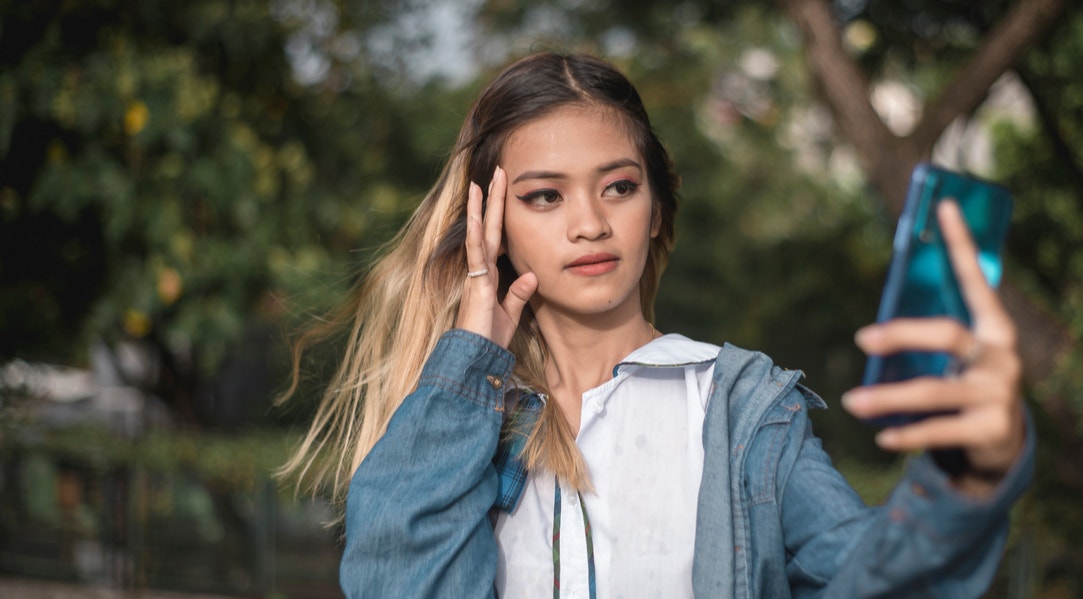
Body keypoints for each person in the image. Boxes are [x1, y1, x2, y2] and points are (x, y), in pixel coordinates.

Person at [279, 52, 1033, 598]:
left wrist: (971, 471)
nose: (590, 223)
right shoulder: (467, 419)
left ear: (656, 208)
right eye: (545, 196)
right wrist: (469, 357)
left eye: (619, 186)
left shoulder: (743, 408)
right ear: (490, 226)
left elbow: (877, 581)